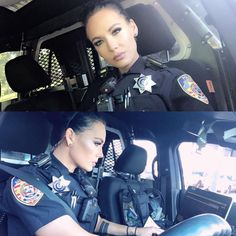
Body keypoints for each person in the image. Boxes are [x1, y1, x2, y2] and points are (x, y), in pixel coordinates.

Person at [2, 113, 163, 236]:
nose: (101, 154)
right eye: (97, 143)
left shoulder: (79, 179)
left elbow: (95, 223)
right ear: (70, 136)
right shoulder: (25, 183)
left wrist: (136, 231)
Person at [80, 0, 213, 111]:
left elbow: (204, 131)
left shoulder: (171, 79)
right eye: (98, 42)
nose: (111, 46)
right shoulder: (96, 90)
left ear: (133, 27)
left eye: (116, 31)